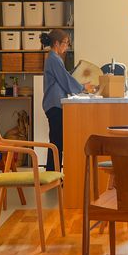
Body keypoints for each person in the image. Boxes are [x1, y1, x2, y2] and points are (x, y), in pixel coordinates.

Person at [40, 29, 86, 171]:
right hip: (54, 105)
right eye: (65, 43)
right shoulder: (54, 59)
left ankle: (53, 173)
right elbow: (65, 79)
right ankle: (53, 174)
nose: (66, 46)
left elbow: (63, 76)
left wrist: (76, 71)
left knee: (56, 141)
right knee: (57, 142)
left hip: (54, 104)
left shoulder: (54, 58)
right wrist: (83, 88)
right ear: (56, 43)